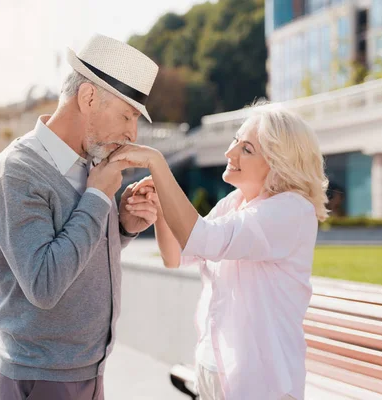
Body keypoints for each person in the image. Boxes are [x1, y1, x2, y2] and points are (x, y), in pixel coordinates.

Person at [0, 34, 159, 400]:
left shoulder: (89, 163)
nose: (132, 133)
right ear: (89, 97)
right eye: (127, 115)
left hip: (88, 371)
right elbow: (45, 284)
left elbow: (74, 254)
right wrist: (96, 197)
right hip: (42, 379)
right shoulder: (16, 173)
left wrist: (122, 226)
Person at [110, 102, 329, 400]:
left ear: (279, 163)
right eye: (235, 141)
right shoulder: (234, 203)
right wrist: (162, 210)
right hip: (214, 371)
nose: (230, 153)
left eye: (247, 149)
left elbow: (202, 238)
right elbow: (176, 256)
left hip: (261, 384)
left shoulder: (290, 211)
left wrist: (157, 164)